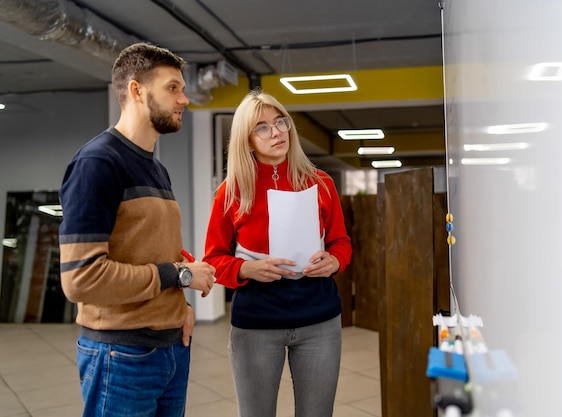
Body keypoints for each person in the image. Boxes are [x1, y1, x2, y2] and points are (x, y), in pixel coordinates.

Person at [58, 42, 215, 417]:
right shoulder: (98, 163)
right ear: (136, 90)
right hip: (122, 355)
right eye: (173, 88)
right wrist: (179, 275)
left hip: (171, 347)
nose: (185, 99)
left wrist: (181, 305)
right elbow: (80, 278)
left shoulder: (156, 169)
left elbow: (159, 253)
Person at [203, 90, 352, 417]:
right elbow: (213, 259)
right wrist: (246, 270)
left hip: (320, 319)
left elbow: (341, 242)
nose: (277, 132)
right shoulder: (231, 192)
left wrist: (335, 261)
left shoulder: (321, 183)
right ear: (247, 140)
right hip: (257, 323)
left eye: (281, 122)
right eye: (263, 128)